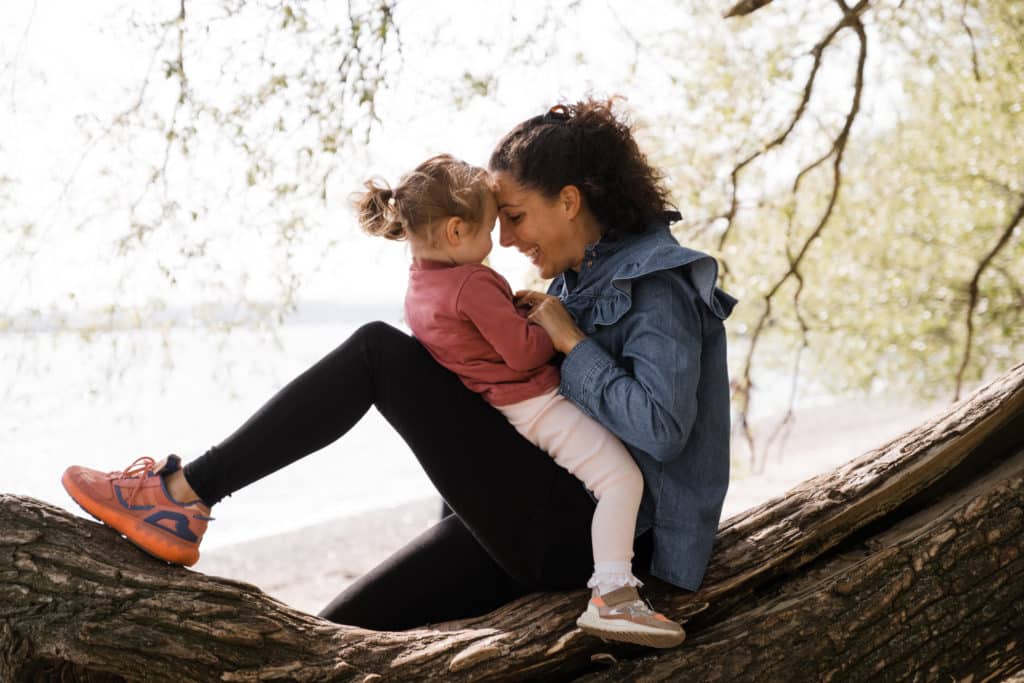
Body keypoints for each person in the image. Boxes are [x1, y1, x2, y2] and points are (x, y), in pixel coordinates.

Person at [60, 97, 735, 645]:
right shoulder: (580, 276)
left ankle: (183, 495)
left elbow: (663, 428)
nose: (503, 240)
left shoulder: (659, 285)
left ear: (569, 199)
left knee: (376, 354)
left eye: (516, 216)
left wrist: (569, 340)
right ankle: (181, 501)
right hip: (525, 508)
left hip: (593, 541)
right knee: (330, 634)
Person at [354, 153, 679, 646]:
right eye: (490, 228)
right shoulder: (475, 282)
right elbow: (524, 356)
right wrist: (550, 328)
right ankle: (613, 597)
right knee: (619, 479)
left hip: (500, 413)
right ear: (458, 231)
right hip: (538, 404)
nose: (498, 242)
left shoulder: (419, 288)